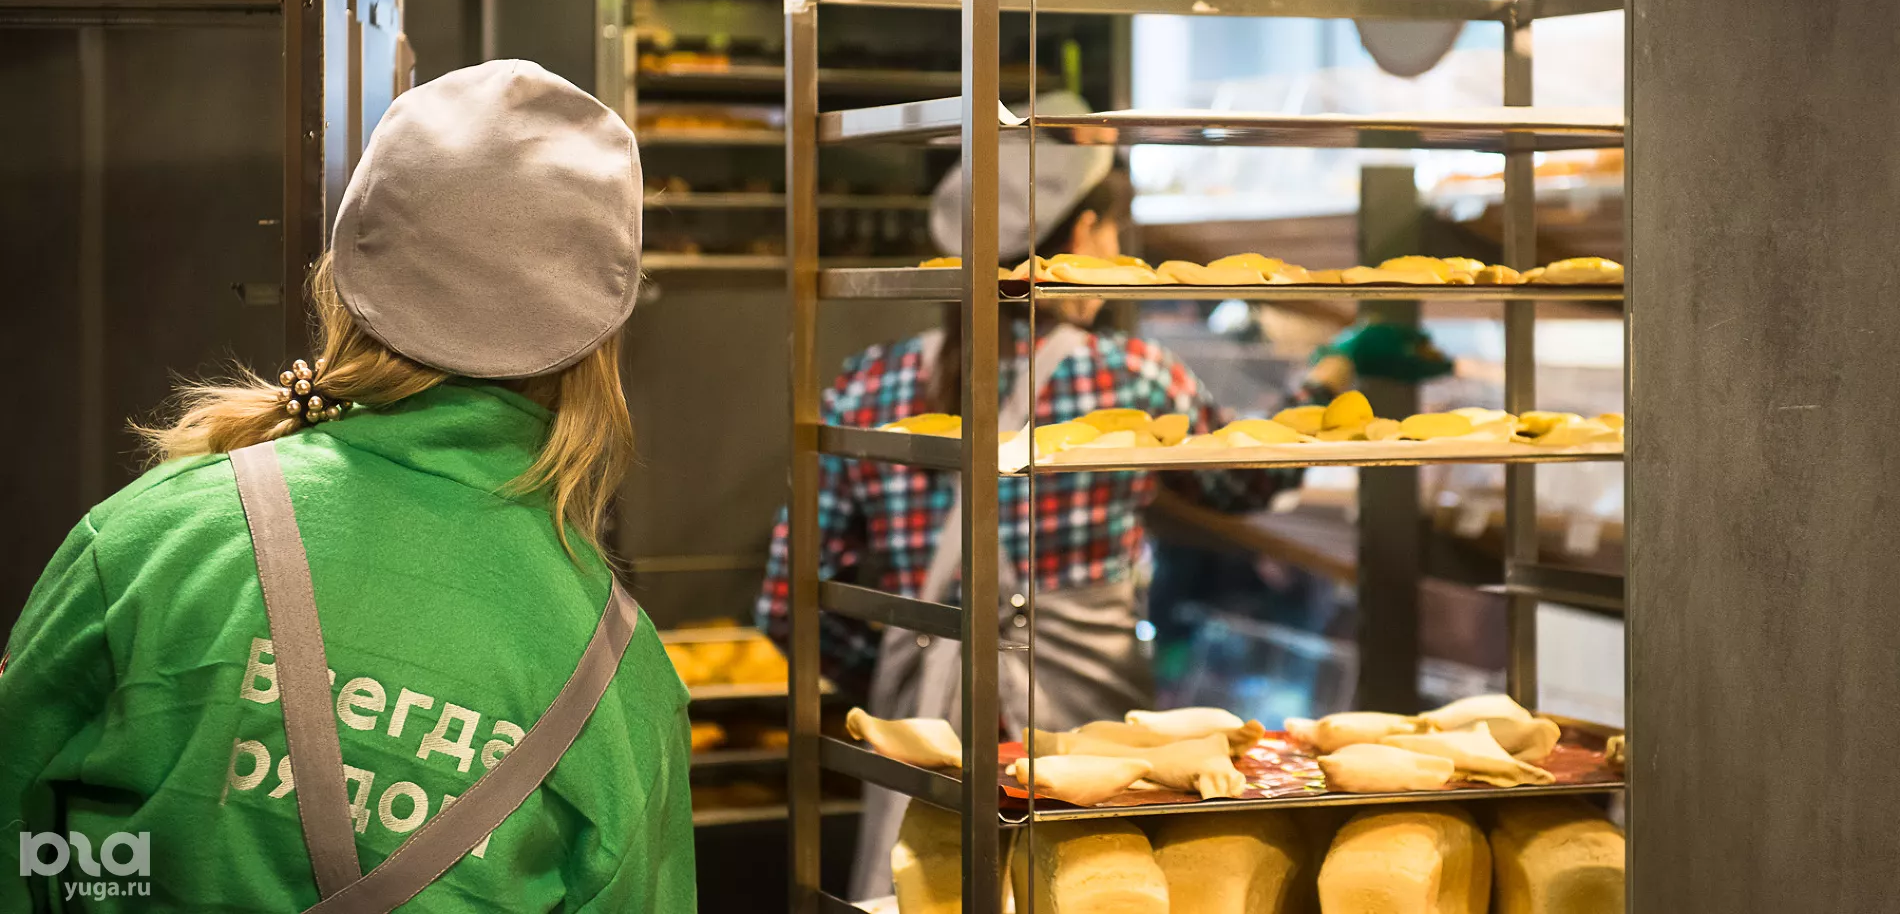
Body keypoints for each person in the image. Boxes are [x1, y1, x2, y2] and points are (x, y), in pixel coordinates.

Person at [0, 61, 695, 913]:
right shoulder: (616, 676)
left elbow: (17, 834)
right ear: (600, 341)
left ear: (342, 280)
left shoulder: (149, 541)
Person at [755, 93, 1303, 898]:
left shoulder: (870, 384)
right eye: (1112, 233)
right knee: (1094, 892)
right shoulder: (1130, 377)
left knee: (931, 893)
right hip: (1092, 742)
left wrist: (905, 679)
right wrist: (1330, 375)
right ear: (1084, 236)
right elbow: (1251, 476)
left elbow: (786, 601)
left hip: (930, 743)